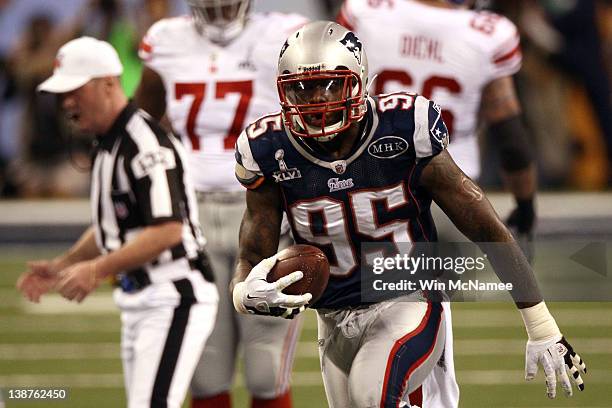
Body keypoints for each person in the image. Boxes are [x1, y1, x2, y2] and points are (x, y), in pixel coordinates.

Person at [231, 21, 587, 407]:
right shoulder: (268, 149)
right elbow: (253, 255)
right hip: (332, 317)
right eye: (302, 87)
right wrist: (243, 292)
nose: (317, 100)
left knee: (372, 396)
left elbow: (485, 227)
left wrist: (541, 326)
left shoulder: (403, 129)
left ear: (360, 80)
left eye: (330, 84)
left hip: (407, 298)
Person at [16, 36, 218, 408]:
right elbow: (113, 227)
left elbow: (168, 229)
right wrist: (63, 265)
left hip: (172, 295)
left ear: (109, 83)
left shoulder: (144, 145)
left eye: (74, 91)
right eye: (62, 95)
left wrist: (96, 269)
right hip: (144, 297)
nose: (67, 103)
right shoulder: (109, 143)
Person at [134, 1, 307, 407]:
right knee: (205, 369)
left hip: (266, 211)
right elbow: (142, 124)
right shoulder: (165, 40)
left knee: (266, 371)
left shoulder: (286, 34)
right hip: (189, 216)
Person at [337, 0, 537, 244]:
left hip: (364, 192)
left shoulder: (365, 10)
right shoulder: (489, 34)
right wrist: (525, 205)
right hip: (449, 198)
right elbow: (511, 140)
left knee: (359, 281)